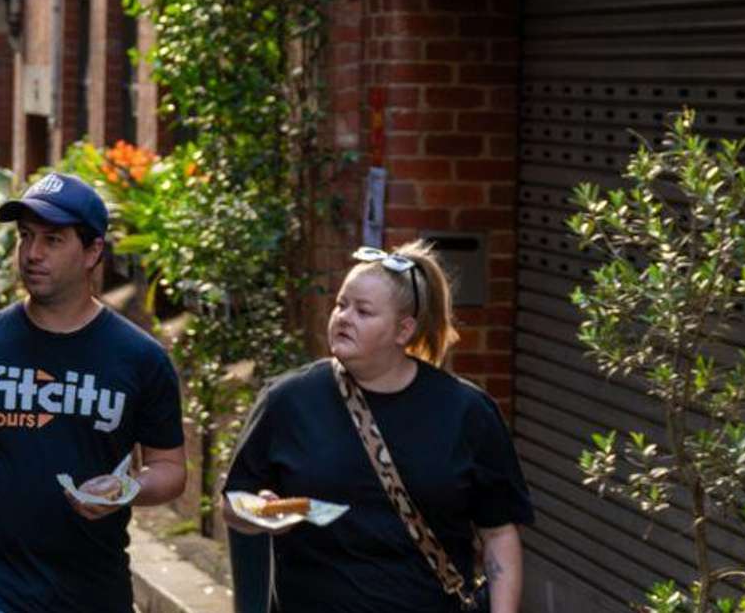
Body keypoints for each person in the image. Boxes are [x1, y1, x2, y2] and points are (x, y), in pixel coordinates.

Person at [0, 171, 186, 613]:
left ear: (92, 252)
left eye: (53, 240)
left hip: (92, 589)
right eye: (25, 237)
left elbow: (169, 468)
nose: (32, 253)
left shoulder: (140, 359)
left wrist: (127, 488)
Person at [221, 243, 533, 613]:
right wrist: (259, 513)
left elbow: (498, 533)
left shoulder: (466, 411)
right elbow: (232, 502)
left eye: (364, 311)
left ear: (404, 330)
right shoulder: (288, 399)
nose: (344, 317)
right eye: (341, 305)